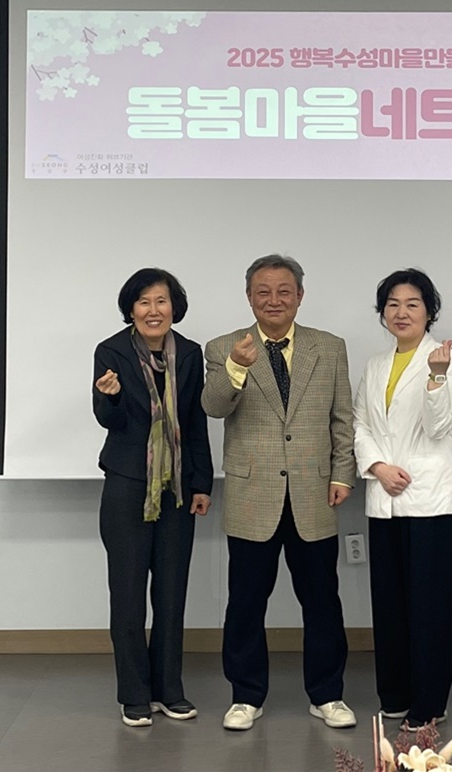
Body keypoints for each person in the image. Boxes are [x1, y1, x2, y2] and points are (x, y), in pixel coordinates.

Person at [201, 254, 358, 731]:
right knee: (246, 601)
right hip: (253, 494)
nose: (274, 300)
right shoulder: (224, 346)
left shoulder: (328, 347)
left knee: (322, 600)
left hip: (314, 492)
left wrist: (342, 474)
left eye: (284, 291)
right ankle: (246, 695)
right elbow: (213, 406)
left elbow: (342, 418)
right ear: (249, 297)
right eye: (263, 292)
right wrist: (235, 368)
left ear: (300, 296)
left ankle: (327, 694)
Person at [92, 268, 213, 727]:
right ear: (131, 309)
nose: (153, 310)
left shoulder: (190, 354)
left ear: (174, 307)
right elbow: (111, 420)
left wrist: (201, 483)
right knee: (127, 594)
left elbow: (195, 422)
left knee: (171, 592)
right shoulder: (112, 351)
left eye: (161, 301)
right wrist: (111, 398)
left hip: (177, 487)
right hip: (128, 483)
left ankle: (169, 689)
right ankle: (134, 693)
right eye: (144, 302)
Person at [352, 268, 452, 729]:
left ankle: (430, 704)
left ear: (429, 312)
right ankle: (395, 695)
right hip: (385, 498)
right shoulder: (376, 364)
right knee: (390, 604)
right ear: (382, 312)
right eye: (393, 304)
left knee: (430, 608)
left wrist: (435, 378)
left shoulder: (447, 361)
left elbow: (439, 427)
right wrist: (378, 467)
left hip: (431, 501)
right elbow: (361, 424)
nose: (401, 313)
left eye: (412, 304)